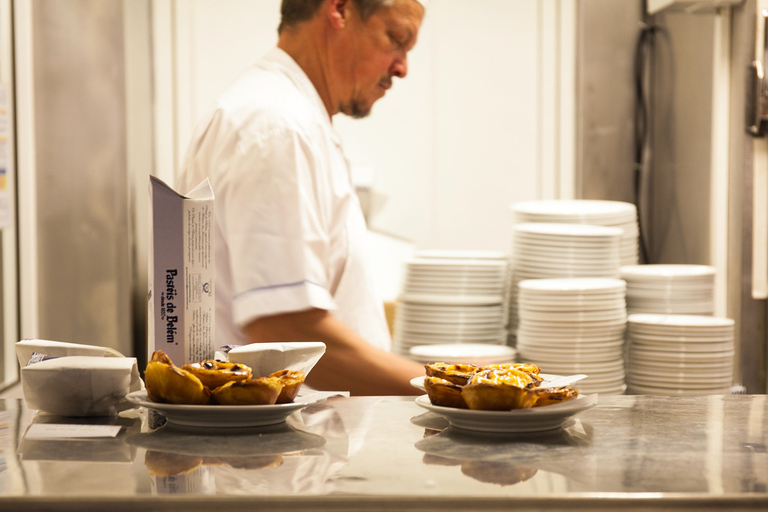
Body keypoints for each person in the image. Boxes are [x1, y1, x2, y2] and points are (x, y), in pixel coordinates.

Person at [176, 0, 426, 395]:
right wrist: (453, 388)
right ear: (340, 10)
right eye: (396, 40)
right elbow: (285, 332)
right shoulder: (277, 126)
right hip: (267, 451)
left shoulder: (285, 115)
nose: (402, 68)